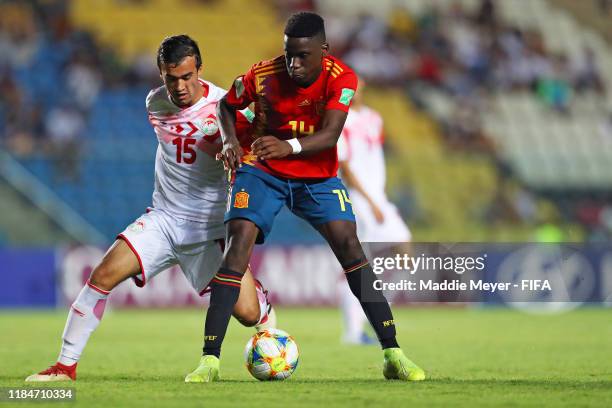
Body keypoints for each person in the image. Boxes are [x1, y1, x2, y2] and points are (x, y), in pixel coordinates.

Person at [25, 35, 275, 383]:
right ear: (161, 75)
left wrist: (238, 154)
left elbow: (254, 145)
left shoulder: (226, 108)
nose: (181, 86)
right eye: (172, 78)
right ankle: (65, 367)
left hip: (209, 229)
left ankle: (263, 305)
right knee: (101, 276)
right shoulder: (155, 103)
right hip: (163, 220)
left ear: (199, 71)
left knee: (248, 314)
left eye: (187, 76)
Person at [192, 11, 425, 382]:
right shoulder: (262, 75)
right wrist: (231, 141)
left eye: (303, 56)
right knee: (236, 250)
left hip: (316, 177)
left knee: (352, 251)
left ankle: (393, 353)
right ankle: (209, 360)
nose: (294, 64)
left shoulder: (341, 78)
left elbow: (331, 135)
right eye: (289, 55)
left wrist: (289, 145)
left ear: (324, 51)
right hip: (262, 170)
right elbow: (226, 106)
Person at [336, 79, 412, 345]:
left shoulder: (373, 118)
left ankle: (374, 308)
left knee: (404, 251)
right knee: (357, 263)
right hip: (360, 199)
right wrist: (370, 200)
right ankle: (353, 331)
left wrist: (380, 197)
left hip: (378, 198)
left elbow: (374, 159)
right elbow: (346, 166)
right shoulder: (339, 120)